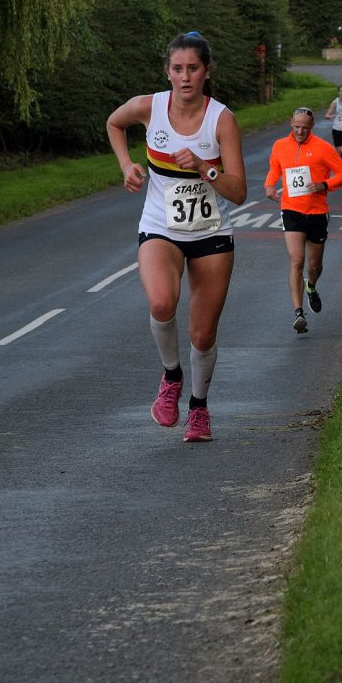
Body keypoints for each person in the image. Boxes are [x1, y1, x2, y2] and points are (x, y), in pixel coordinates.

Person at [106, 32, 247, 442]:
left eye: (193, 69)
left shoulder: (222, 119)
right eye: (177, 69)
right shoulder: (150, 107)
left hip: (210, 232)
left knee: (202, 334)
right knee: (161, 301)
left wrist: (207, 167)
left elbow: (238, 191)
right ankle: (171, 377)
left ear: (207, 72)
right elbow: (115, 123)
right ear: (167, 72)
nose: (185, 77)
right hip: (161, 226)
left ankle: (199, 408)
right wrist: (126, 164)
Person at [264, 107, 342, 334]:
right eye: (296, 126)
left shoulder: (323, 148)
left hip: (317, 212)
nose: (300, 131)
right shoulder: (280, 146)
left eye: (304, 127)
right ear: (291, 123)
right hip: (291, 210)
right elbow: (275, 168)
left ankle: (311, 286)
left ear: (311, 127)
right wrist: (270, 185)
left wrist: (324, 185)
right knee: (297, 261)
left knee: (313, 266)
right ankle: (298, 312)